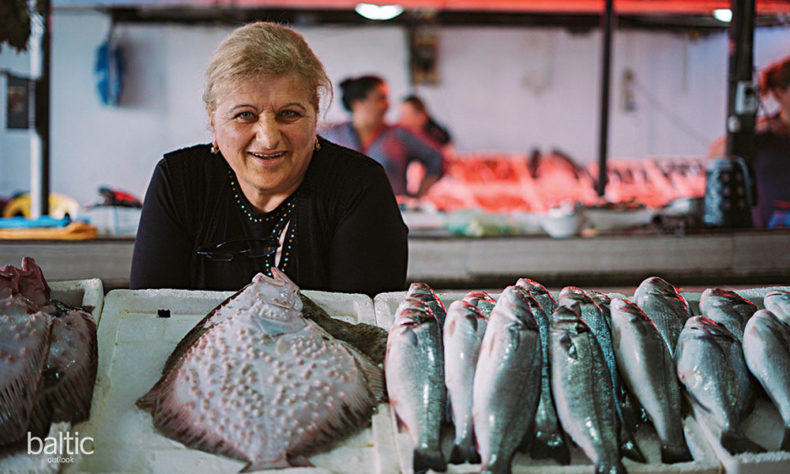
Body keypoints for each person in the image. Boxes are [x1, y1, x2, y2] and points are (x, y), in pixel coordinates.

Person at [130, 22, 408, 296]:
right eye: (245, 115)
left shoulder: (359, 186)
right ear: (213, 122)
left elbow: (365, 330)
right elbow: (149, 315)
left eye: (289, 114)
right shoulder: (179, 181)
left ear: (315, 117)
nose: (268, 138)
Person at [321, 75, 444, 198]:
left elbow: (436, 158)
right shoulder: (332, 135)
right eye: (381, 99)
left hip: (390, 212)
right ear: (357, 103)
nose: (387, 105)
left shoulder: (400, 135)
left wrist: (417, 198)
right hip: (343, 213)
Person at [708, 55, 790, 228]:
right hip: (770, 228)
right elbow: (716, 156)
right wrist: (754, 130)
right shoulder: (762, 134)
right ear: (779, 92)